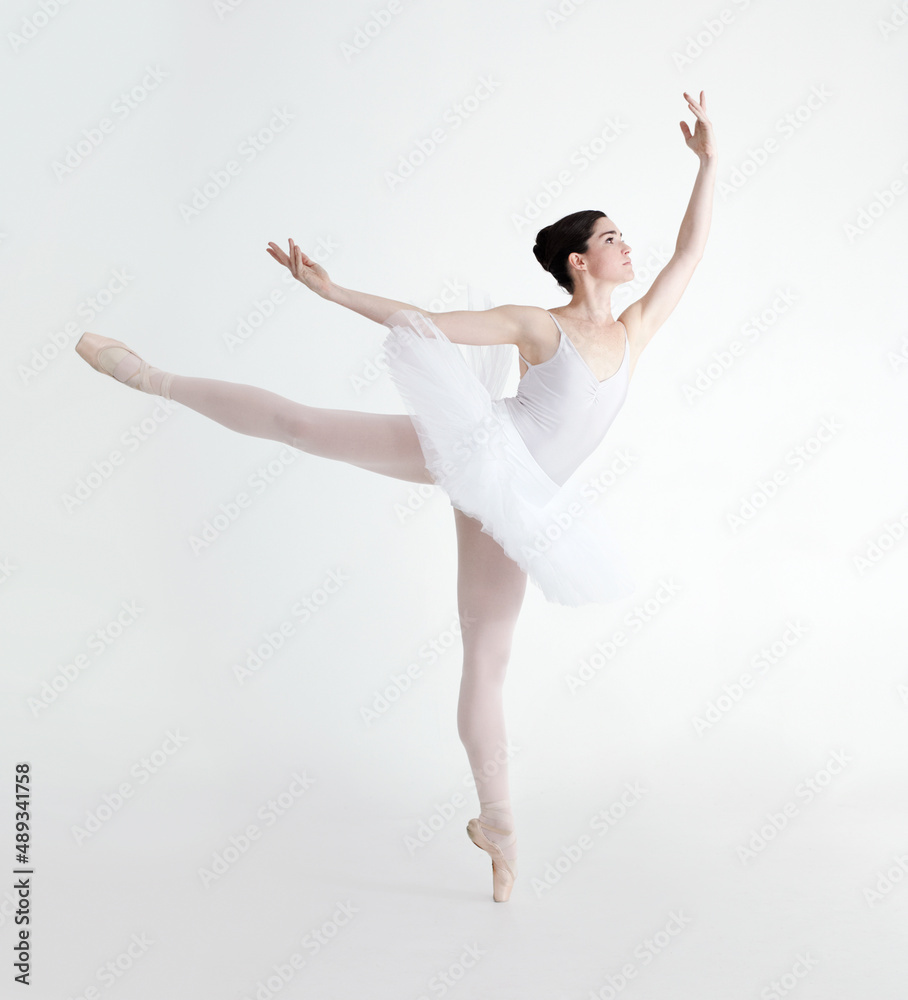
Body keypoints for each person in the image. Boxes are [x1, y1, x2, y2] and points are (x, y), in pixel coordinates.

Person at [74, 90, 716, 902]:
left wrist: (709, 165)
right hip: (484, 449)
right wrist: (334, 293)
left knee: (488, 658)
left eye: (627, 236)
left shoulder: (634, 333)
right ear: (580, 262)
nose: (632, 248)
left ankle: (500, 826)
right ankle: (149, 375)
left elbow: (690, 255)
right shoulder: (537, 324)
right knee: (303, 425)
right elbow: (429, 321)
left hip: (521, 503)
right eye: (614, 238)